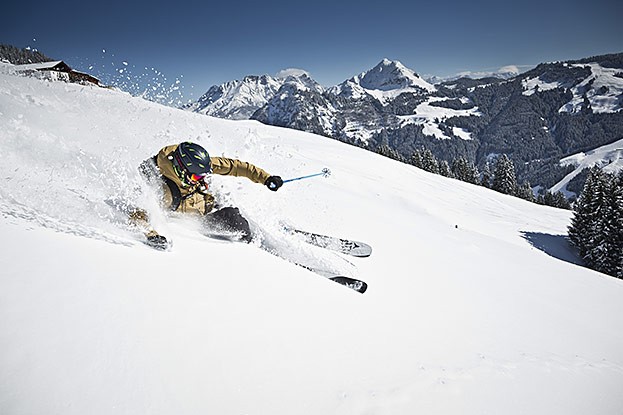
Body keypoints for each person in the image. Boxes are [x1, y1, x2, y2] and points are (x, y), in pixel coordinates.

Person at [130, 141, 283, 248]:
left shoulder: (196, 165)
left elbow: (236, 167)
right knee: (236, 222)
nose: (202, 179)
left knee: (232, 212)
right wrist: (151, 234)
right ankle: (254, 246)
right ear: (180, 170)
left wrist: (266, 178)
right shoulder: (161, 191)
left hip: (204, 201)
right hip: (198, 218)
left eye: (204, 175)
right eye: (197, 177)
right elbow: (139, 212)